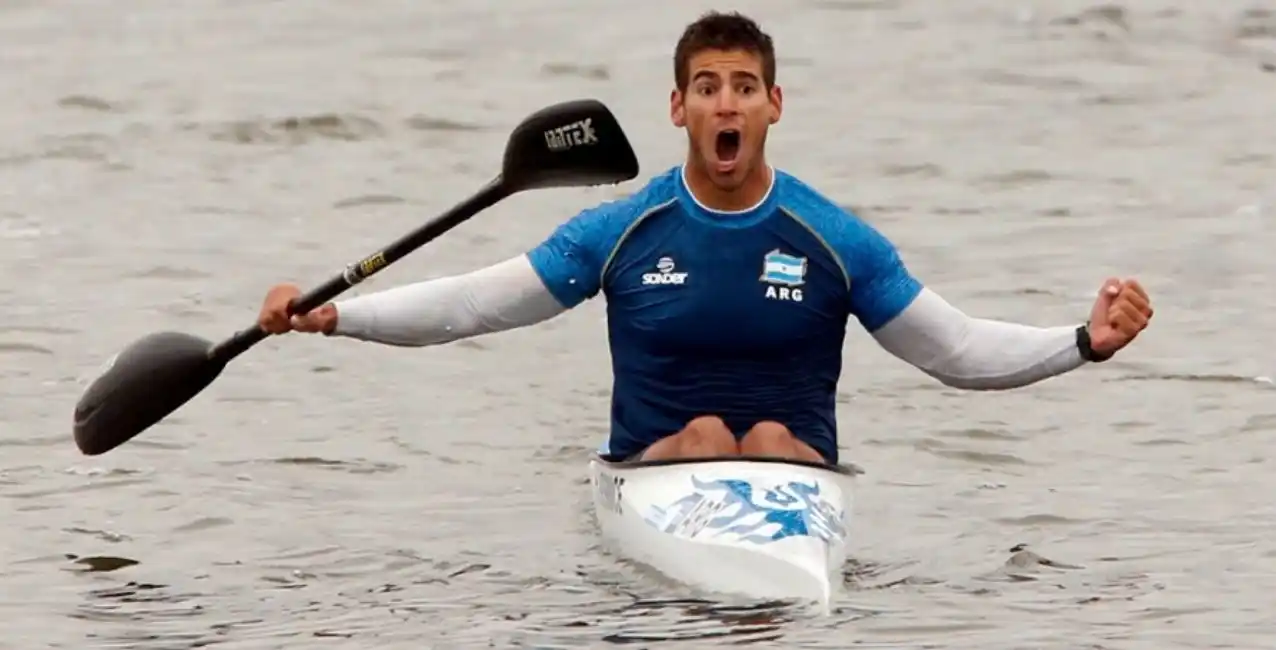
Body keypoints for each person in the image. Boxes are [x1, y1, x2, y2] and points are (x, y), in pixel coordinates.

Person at [256, 11, 1153, 466]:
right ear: (679, 107)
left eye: (746, 86)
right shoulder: (621, 230)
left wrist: (1084, 343)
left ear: (774, 105)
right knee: (706, 437)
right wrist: (339, 316)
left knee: (762, 438)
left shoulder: (832, 239)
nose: (729, 102)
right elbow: (476, 304)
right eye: (709, 86)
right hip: (655, 473)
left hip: (795, 479)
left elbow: (955, 351)